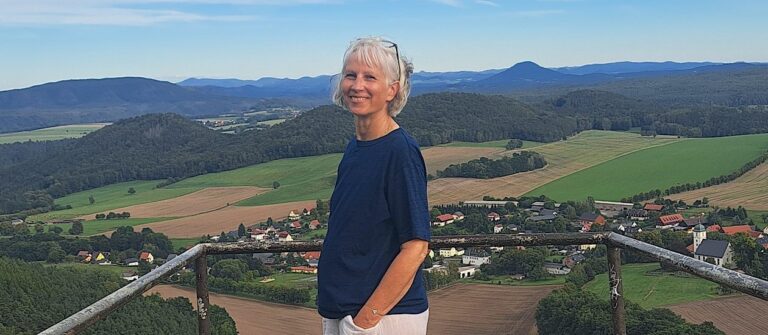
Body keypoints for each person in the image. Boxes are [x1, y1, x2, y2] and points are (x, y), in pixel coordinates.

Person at [317, 37, 431, 335]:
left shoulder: (399, 151)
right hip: (345, 312)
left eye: (370, 77)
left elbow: (416, 246)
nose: (357, 85)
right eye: (350, 75)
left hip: (383, 319)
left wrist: (366, 322)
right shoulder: (356, 148)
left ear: (392, 89)